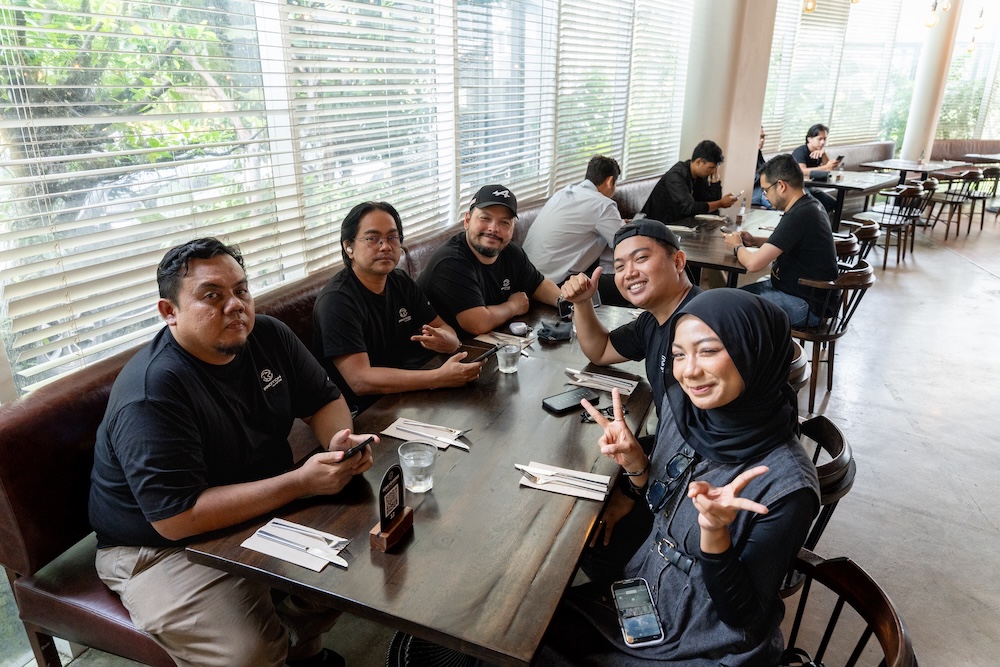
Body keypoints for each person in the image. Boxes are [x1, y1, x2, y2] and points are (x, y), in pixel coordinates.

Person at [89, 238, 375, 667]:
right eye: (212, 296)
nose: (235, 305)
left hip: (257, 505)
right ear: (169, 312)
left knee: (358, 561)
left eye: (241, 290)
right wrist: (299, 483)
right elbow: (176, 518)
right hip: (156, 547)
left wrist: (339, 442)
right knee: (248, 653)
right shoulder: (153, 391)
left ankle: (300, 651)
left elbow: (323, 400)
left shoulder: (269, 336)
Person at [539, 288, 820, 666]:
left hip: (707, 640)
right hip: (646, 592)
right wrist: (637, 463)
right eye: (679, 354)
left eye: (708, 351)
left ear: (754, 352)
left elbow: (742, 614)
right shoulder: (685, 410)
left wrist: (715, 534)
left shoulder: (787, 485)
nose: (689, 371)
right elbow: (662, 506)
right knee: (530, 629)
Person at [312, 202, 482, 415]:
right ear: (349, 247)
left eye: (392, 237)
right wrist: (438, 378)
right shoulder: (337, 301)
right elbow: (360, 381)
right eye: (372, 239)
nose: (385, 246)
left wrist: (450, 341)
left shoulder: (399, 280)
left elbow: (443, 328)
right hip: (363, 410)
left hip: (406, 393)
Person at [560, 220, 700, 418]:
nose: (630, 273)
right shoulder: (651, 321)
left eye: (641, 258)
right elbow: (600, 351)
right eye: (620, 266)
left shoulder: (701, 324)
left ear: (677, 262)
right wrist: (582, 302)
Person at [417, 184, 562, 339]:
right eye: (485, 218)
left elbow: (538, 284)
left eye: (504, 222)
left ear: (512, 228)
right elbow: (477, 323)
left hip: (485, 342)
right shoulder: (451, 261)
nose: (493, 228)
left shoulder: (511, 252)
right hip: (440, 350)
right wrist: (513, 306)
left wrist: (566, 303)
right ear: (467, 221)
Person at [724, 153, 839, 328]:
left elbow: (753, 264)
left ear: (781, 186)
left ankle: (755, 346)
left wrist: (736, 246)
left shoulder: (800, 214)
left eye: (765, 190)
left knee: (729, 308)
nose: (764, 196)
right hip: (799, 294)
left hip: (807, 306)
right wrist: (755, 241)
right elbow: (786, 241)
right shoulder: (808, 205)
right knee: (728, 298)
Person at [522, 155, 628, 306]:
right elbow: (626, 244)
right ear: (610, 181)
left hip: (528, 280)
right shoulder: (603, 205)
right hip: (556, 286)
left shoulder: (562, 194)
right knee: (630, 280)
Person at [639, 140, 738, 223]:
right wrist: (720, 203)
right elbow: (689, 208)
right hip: (657, 225)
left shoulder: (699, 175)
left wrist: (715, 181)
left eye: (716, 168)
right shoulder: (676, 175)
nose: (714, 171)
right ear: (698, 162)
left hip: (679, 224)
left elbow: (709, 203)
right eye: (711, 168)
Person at [792, 123, 841, 213]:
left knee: (833, 204)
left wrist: (824, 154)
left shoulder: (819, 152)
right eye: (819, 139)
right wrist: (825, 167)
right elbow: (802, 171)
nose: (822, 142)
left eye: (824, 139)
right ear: (809, 139)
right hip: (798, 188)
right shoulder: (800, 152)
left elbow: (829, 168)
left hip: (810, 187)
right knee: (813, 206)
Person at [751, 126, 773, 209]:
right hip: (755, 193)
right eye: (759, 137)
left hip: (763, 189)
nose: (762, 140)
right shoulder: (747, 154)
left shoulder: (758, 152)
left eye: (763, 137)